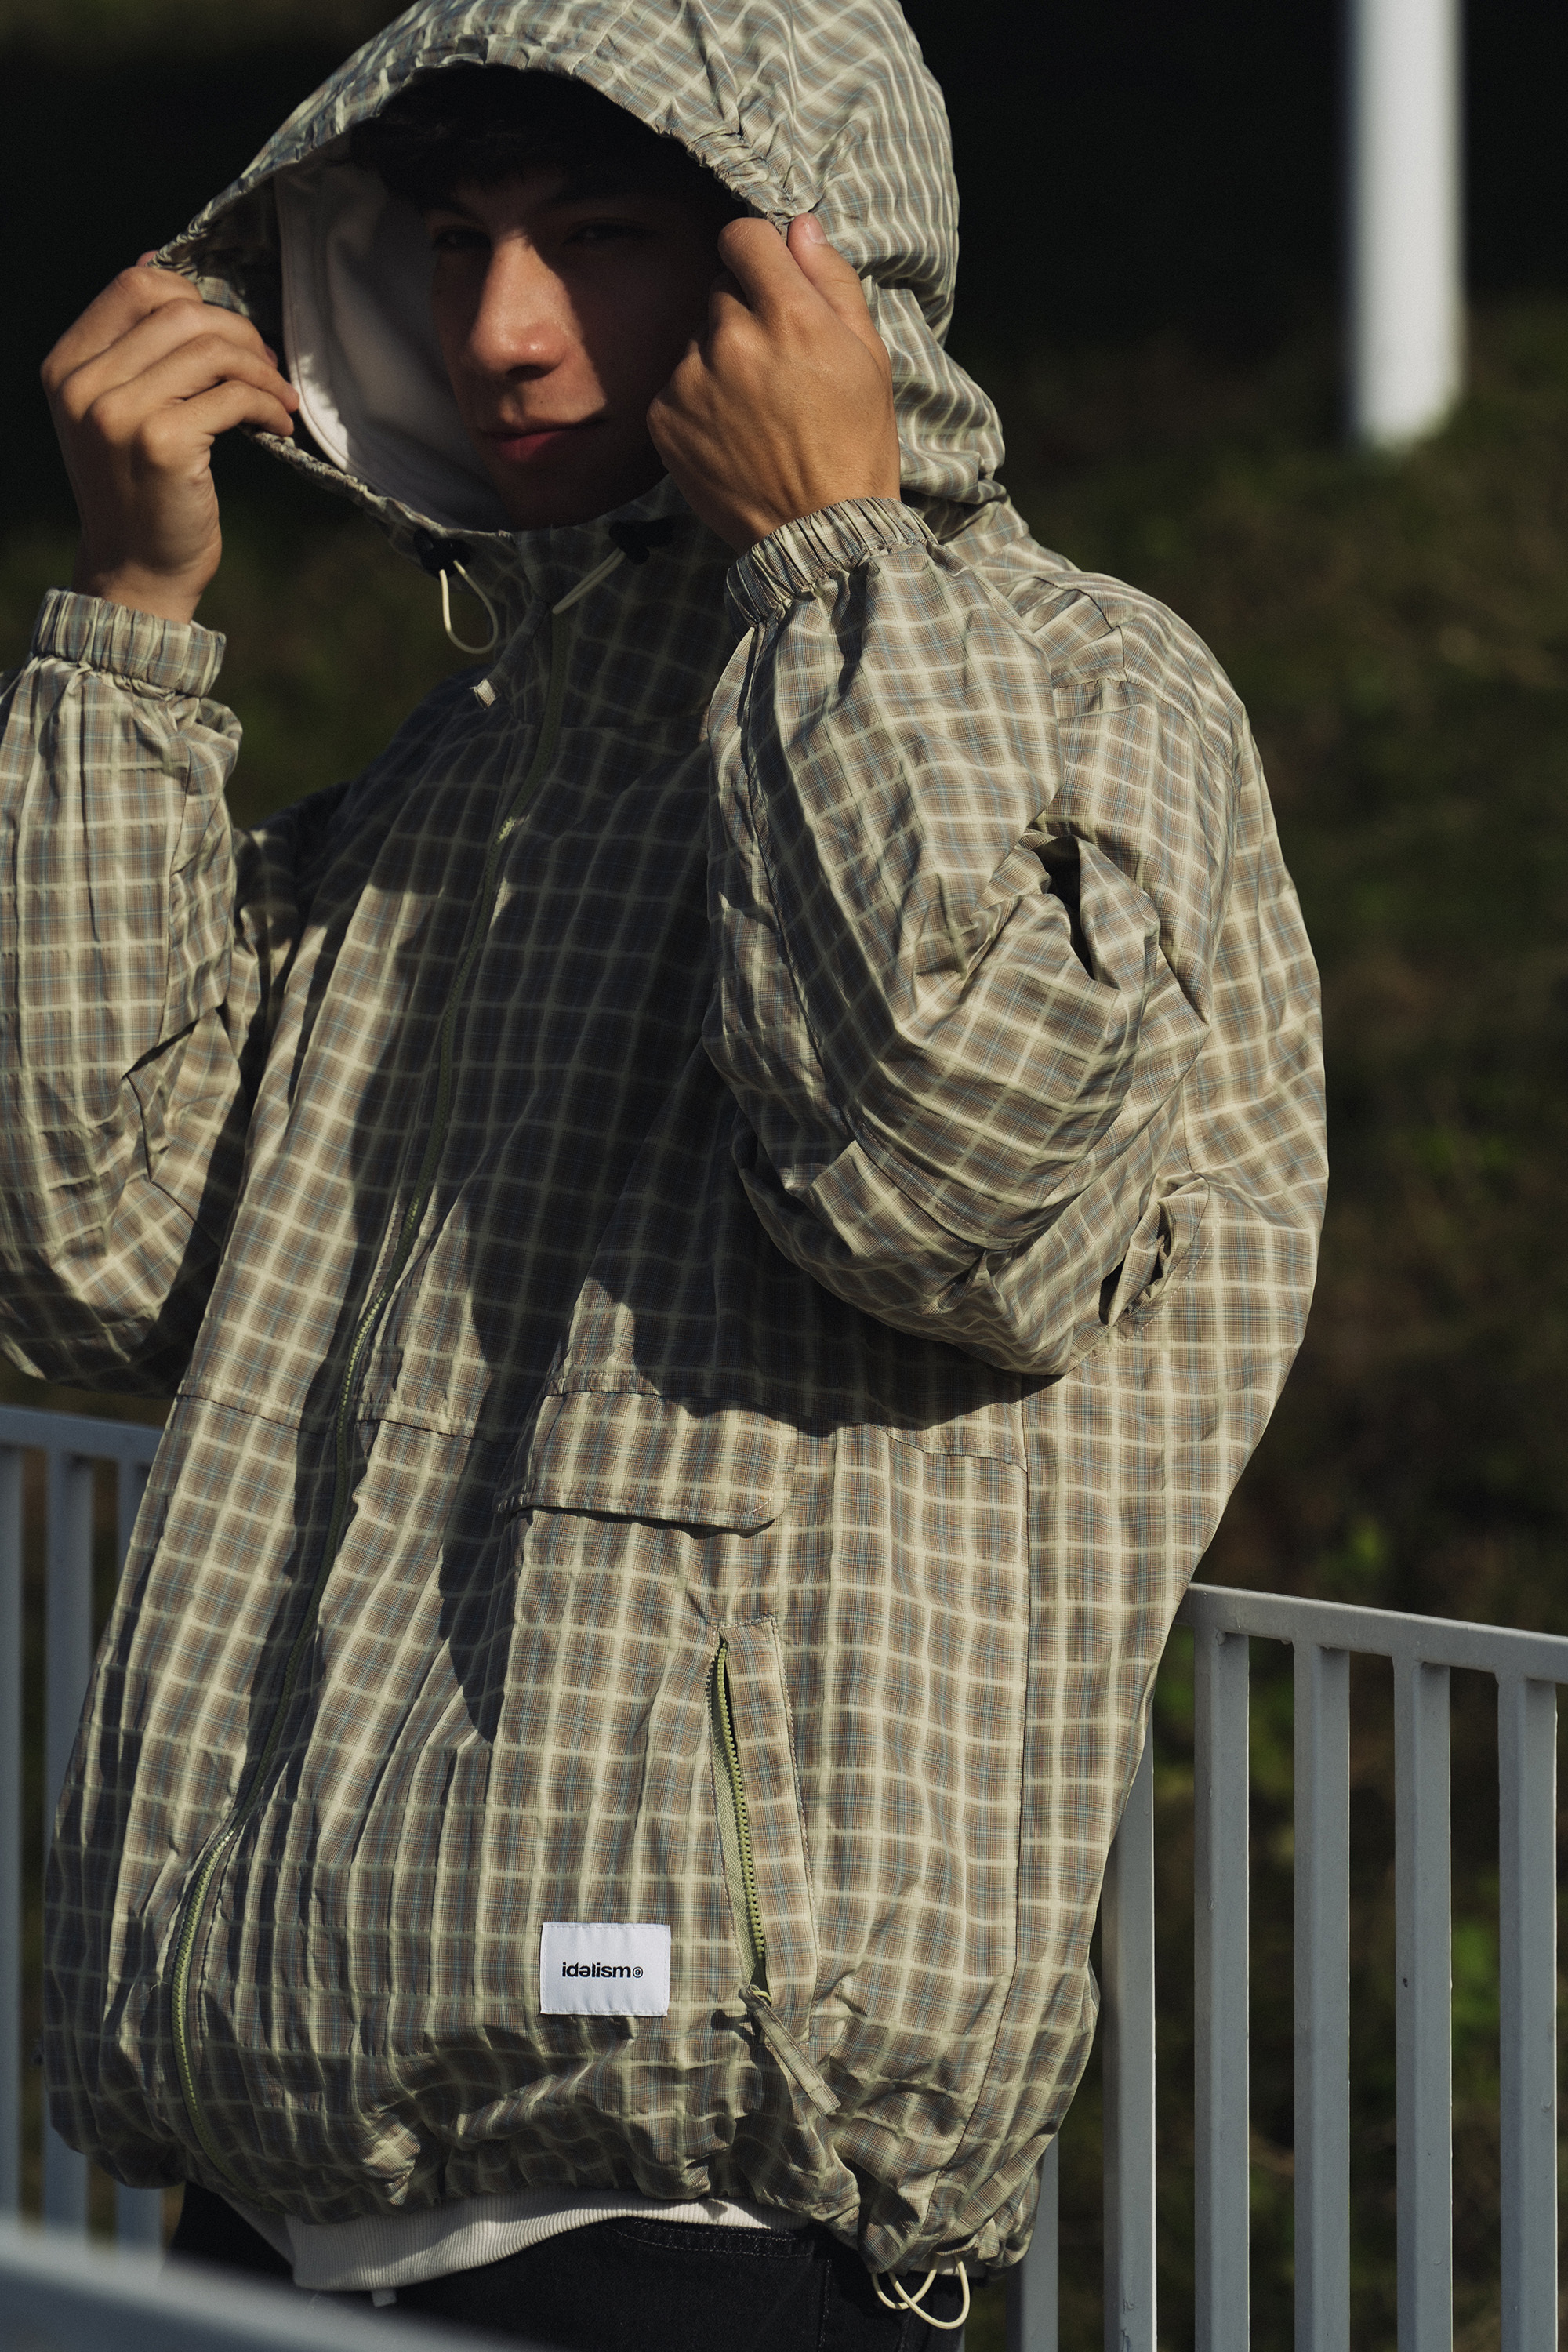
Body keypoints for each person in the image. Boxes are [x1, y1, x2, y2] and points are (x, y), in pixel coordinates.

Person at [2, 3, 1326, 2346]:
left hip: (700, 2209)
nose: (498, 330)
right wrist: (126, 628)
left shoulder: (1092, 688)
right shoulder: (468, 762)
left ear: (806, 273)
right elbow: (89, 1265)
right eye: (449, 243)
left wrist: (831, 552)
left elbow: (959, 1201)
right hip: (279, 2181)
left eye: (596, 236)